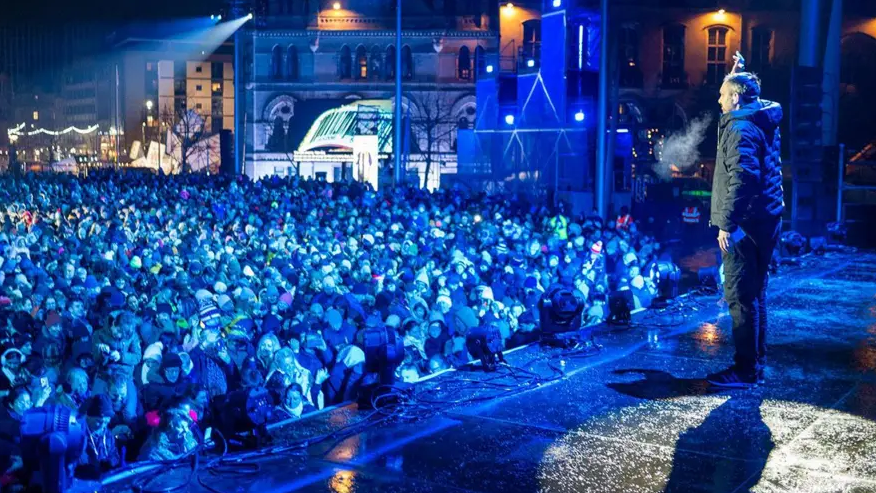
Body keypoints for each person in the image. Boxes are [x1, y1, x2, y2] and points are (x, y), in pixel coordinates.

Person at [707, 57, 784, 388]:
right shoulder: (760, 118)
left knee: (740, 295)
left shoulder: (740, 128)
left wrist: (727, 222)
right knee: (757, 293)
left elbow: (744, 177)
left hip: (746, 225)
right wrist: (737, 71)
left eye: (724, 94)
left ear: (737, 97)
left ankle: (745, 369)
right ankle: (756, 362)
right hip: (765, 218)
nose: (720, 100)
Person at [76, 394, 121, 480]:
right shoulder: (78, 437)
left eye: (106, 422)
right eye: (99, 421)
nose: (102, 426)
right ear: (88, 416)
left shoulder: (107, 435)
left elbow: (114, 454)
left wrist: (110, 463)